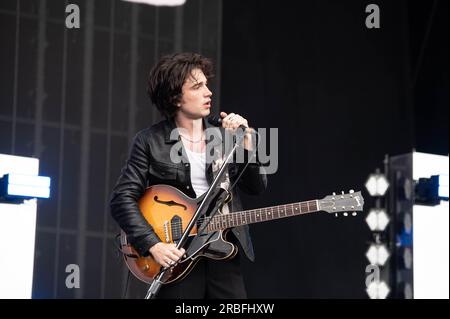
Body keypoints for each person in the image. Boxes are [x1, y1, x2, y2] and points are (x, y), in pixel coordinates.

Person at [110, 52, 267, 299]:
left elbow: (256, 187)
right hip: (177, 255)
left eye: (206, 84)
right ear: (175, 98)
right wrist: (153, 244)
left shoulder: (227, 134)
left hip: (222, 250)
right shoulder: (149, 141)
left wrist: (247, 142)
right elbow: (121, 199)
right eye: (197, 86)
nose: (209, 92)